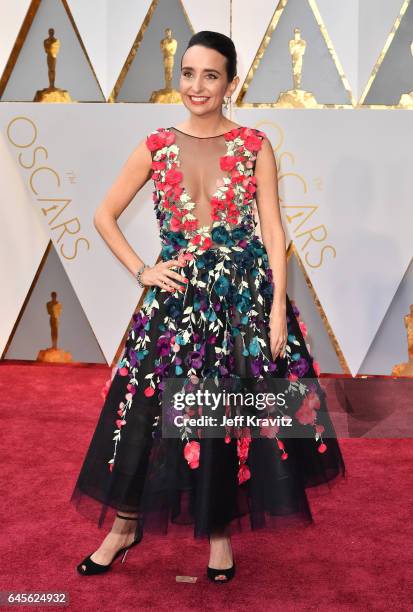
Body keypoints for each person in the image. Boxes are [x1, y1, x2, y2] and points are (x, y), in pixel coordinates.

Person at [70, 30, 346, 583]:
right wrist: (143, 271)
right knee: (147, 417)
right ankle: (125, 526)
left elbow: (273, 233)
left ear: (230, 82)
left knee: (223, 418)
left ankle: (218, 533)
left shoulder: (253, 145)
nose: (196, 86)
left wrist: (274, 312)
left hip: (240, 304)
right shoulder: (155, 143)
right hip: (174, 305)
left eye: (210, 75)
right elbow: (104, 214)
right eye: (188, 73)